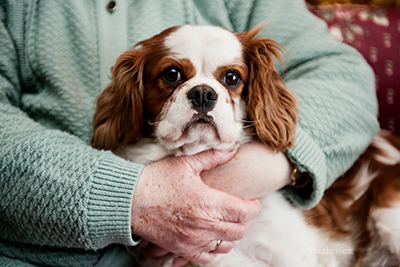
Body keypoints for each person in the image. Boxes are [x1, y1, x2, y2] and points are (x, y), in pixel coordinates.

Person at [0, 0, 379, 267]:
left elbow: (345, 77)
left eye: (229, 79)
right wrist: (134, 197)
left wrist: (267, 166)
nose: (203, 93)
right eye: (172, 75)